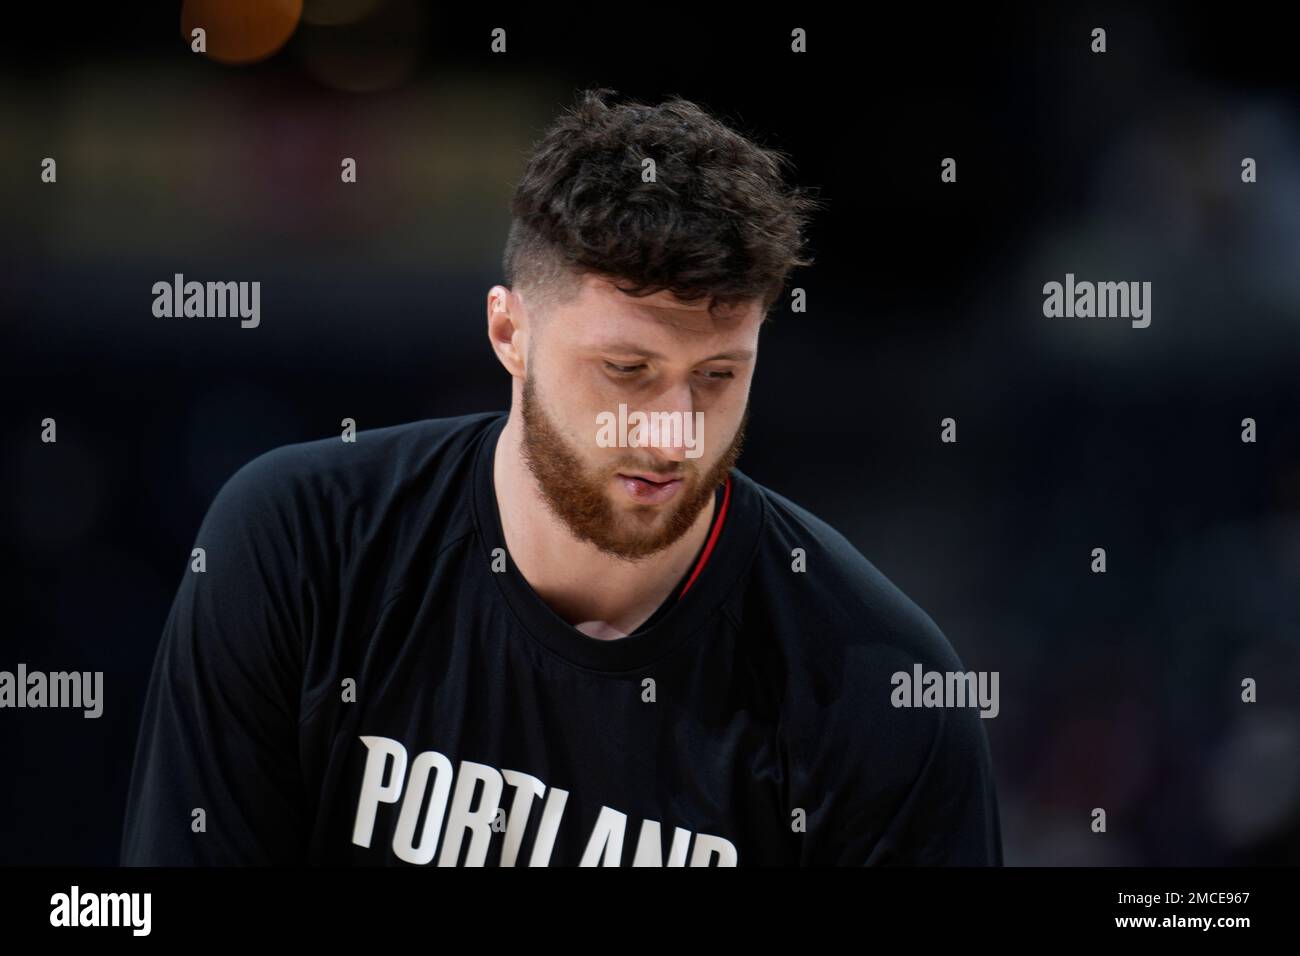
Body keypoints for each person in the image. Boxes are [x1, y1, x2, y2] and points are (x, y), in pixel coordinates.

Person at [121, 87, 1002, 866]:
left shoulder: (881, 693)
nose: (672, 432)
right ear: (510, 334)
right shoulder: (299, 545)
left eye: (717, 376)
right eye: (626, 369)